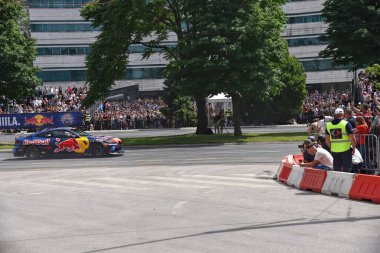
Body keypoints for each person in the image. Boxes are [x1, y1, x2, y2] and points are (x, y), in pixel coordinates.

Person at [326, 107, 356, 172]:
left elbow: (327, 140)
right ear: (342, 114)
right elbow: (352, 138)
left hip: (335, 150)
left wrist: (331, 147)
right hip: (346, 149)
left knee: (337, 169)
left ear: (334, 114)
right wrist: (353, 148)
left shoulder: (328, 125)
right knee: (347, 168)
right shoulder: (346, 124)